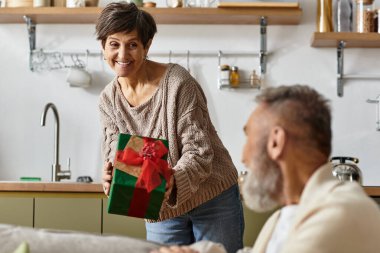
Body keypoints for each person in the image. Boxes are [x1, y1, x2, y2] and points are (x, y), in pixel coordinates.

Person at [152, 84, 380, 253]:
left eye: (249, 137)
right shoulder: (288, 214)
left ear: (276, 142)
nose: (243, 157)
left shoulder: (340, 212)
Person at [95, 2, 244, 253]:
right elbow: (118, 156)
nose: (122, 55)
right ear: (103, 46)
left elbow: (199, 152)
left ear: (147, 46)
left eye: (132, 44)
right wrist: (111, 177)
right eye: (114, 44)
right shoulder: (108, 101)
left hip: (212, 197)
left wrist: (170, 181)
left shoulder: (178, 83)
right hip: (161, 207)